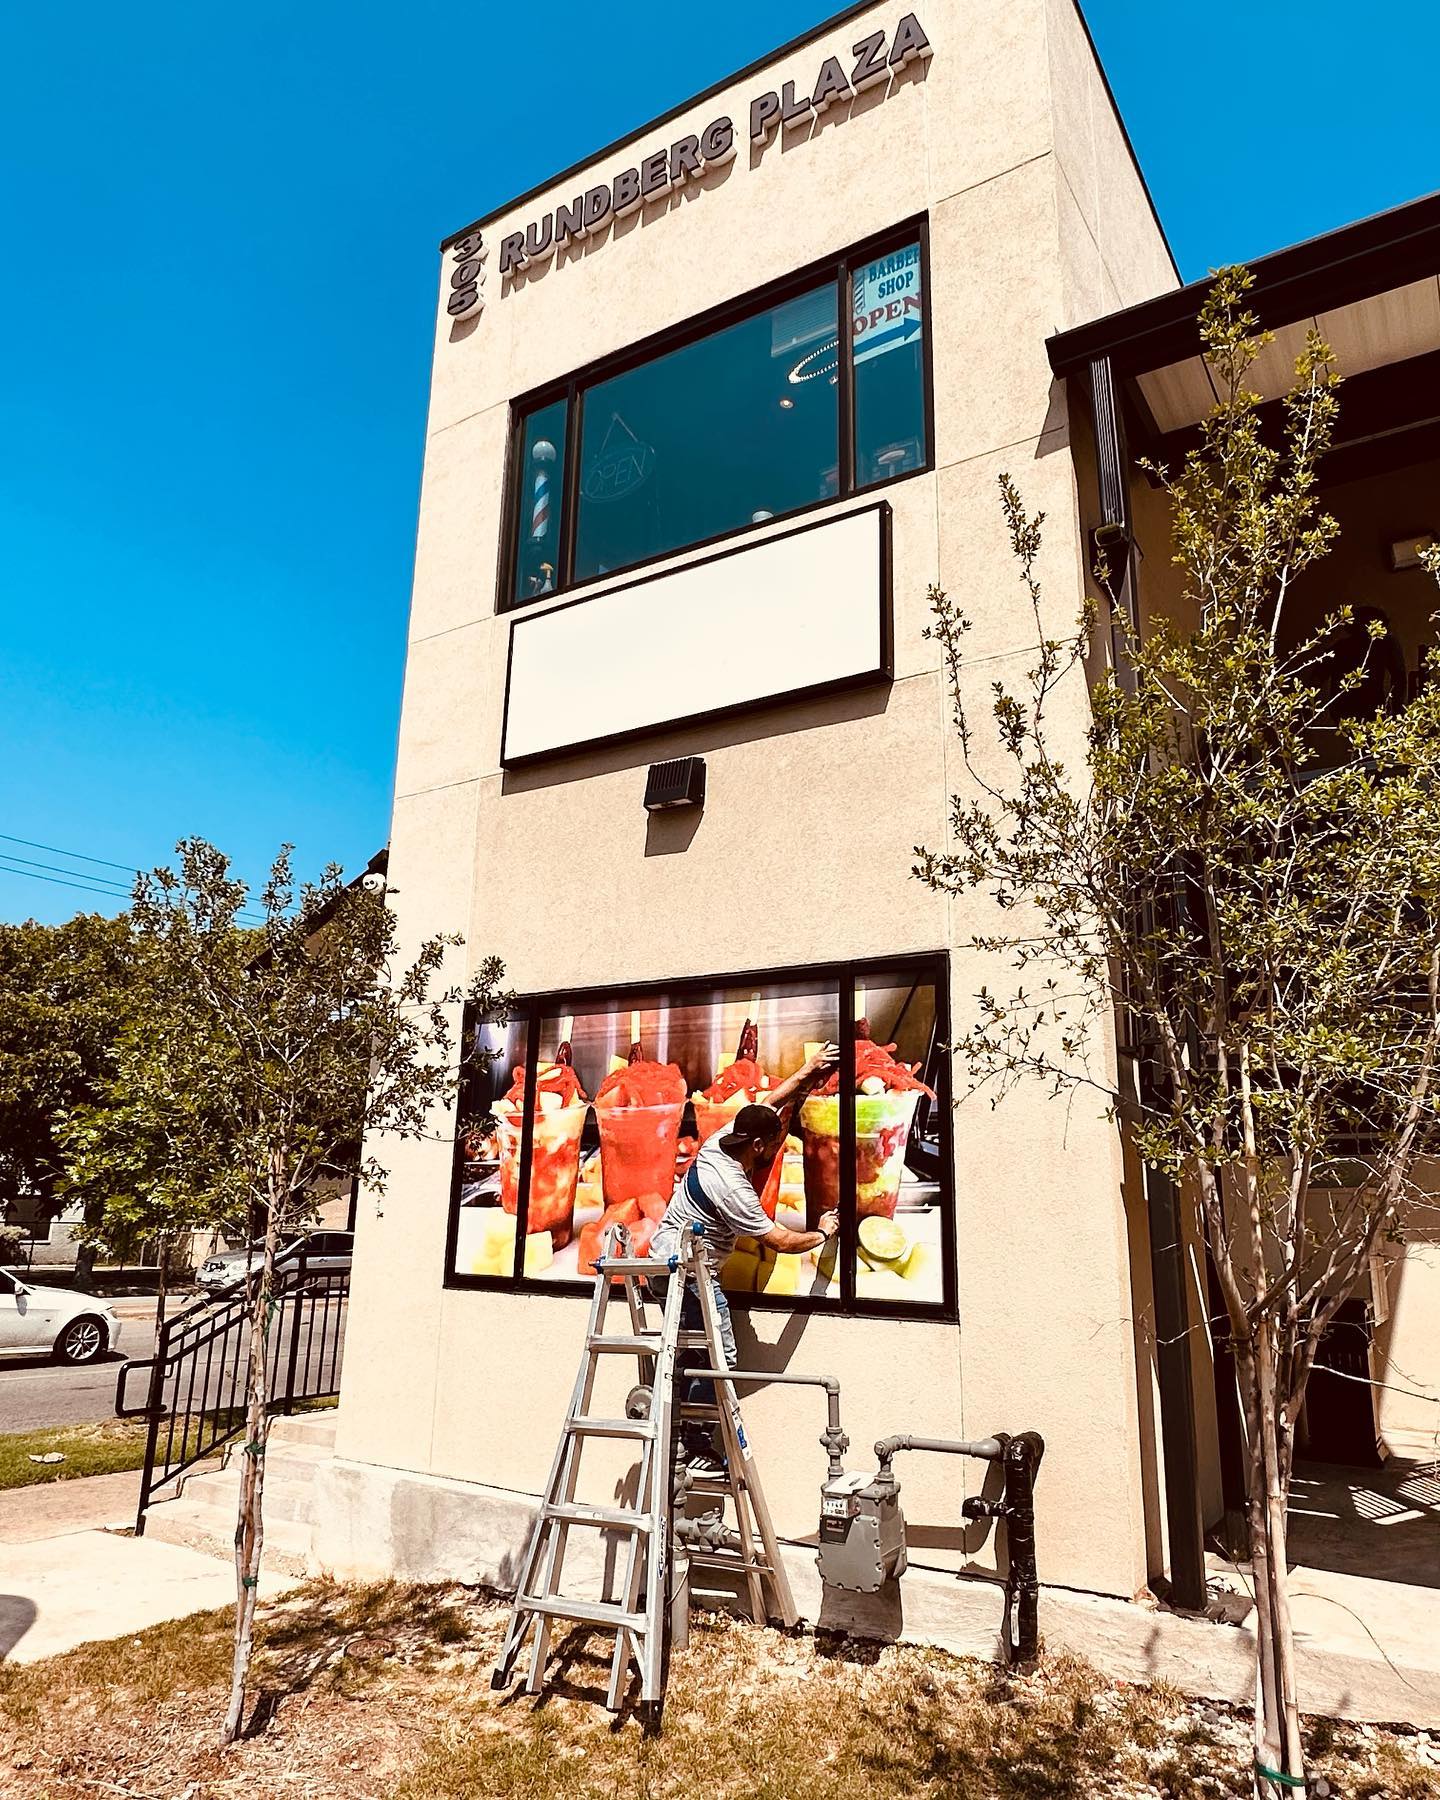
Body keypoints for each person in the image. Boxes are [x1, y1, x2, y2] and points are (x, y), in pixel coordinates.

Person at [651, 1045, 839, 1471]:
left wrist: (806, 1072)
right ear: (754, 1144)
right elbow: (779, 1240)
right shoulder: (734, 1188)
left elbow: (767, 1103)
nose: (773, 1153)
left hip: (663, 1265)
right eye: (772, 1146)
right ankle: (696, 1444)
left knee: (691, 1355)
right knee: (722, 1356)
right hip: (691, 1271)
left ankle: (676, 1439)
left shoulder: (720, 1141)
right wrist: (823, 1232)